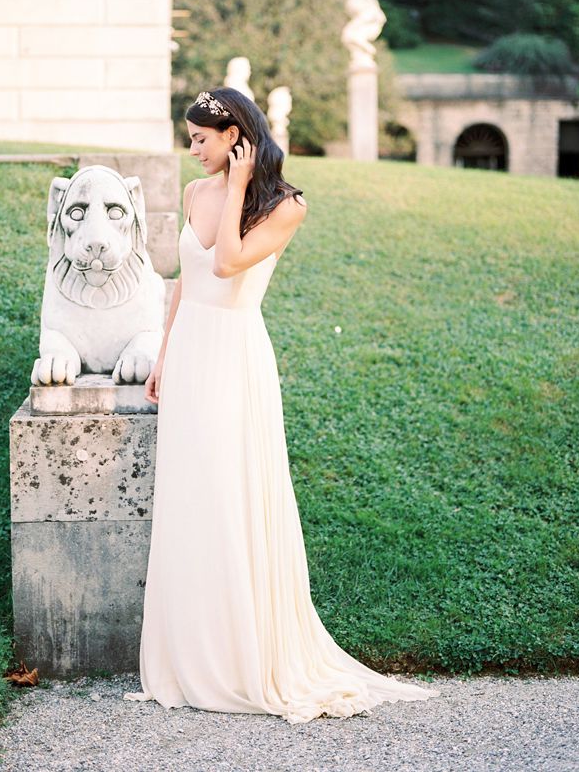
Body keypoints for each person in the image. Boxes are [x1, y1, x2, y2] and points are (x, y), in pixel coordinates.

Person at [123, 87, 440, 723]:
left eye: (202, 139)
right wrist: (162, 356)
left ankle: (244, 659)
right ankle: (193, 655)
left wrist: (239, 185)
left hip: (235, 358)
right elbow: (185, 279)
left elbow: (228, 263)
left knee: (230, 492)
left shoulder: (286, 205)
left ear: (235, 136)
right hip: (189, 353)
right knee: (191, 496)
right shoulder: (193, 193)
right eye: (190, 139)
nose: (193, 150)